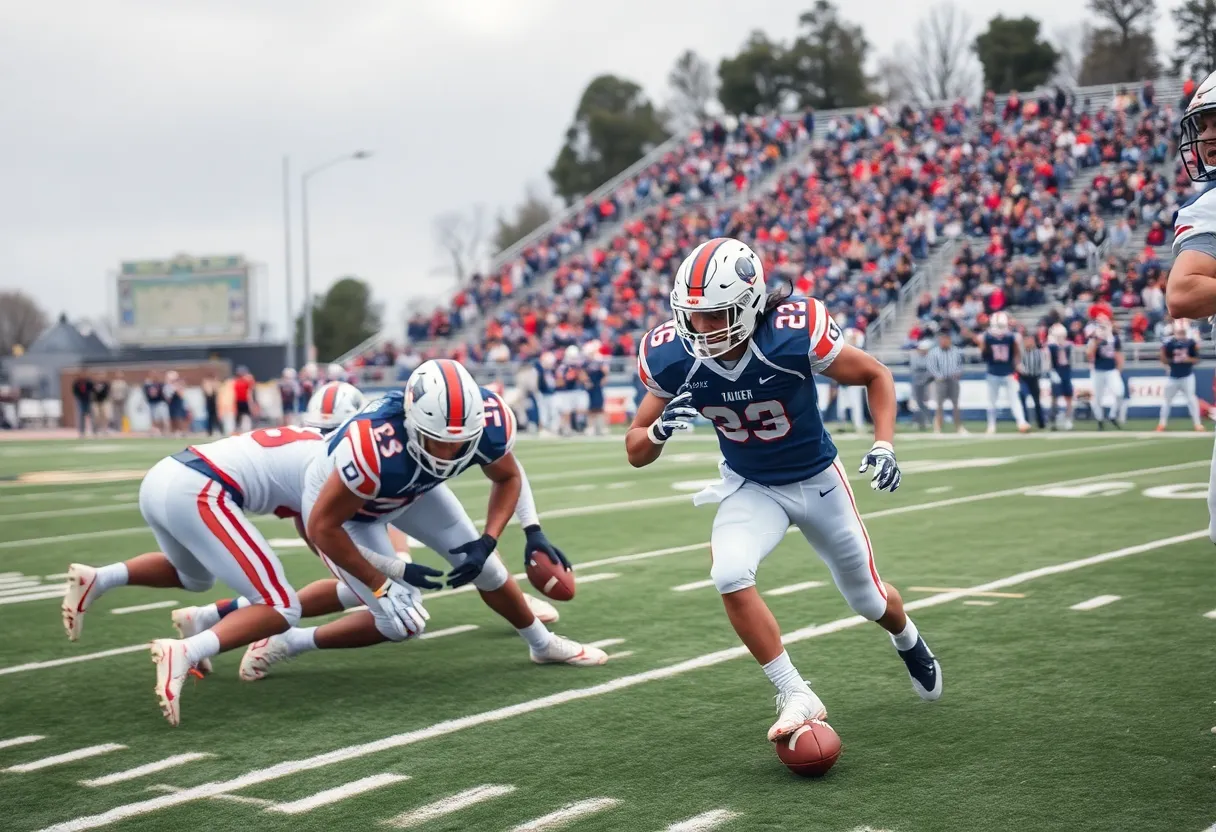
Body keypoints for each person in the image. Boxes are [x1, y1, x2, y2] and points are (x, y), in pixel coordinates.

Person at [627, 237, 939, 745]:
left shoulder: (790, 335)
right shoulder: (671, 355)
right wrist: (659, 431)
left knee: (868, 599)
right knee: (728, 571)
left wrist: (885, 444)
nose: (701, 329)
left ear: (749, 305)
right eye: (693, 315)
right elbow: (635, 447)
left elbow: (876, 375)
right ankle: (796, 691)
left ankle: (906, 637)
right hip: (751, 486)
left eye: (716, 315)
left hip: (818, 480)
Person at [240, 359, 605, 676]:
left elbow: (508, 476)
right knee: (402, 621)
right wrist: (393, 573)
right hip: (351, 514)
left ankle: (542, 645)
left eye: (460, 443)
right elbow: (322, 527)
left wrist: (493, 539)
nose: (449, 451)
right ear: (412, 422)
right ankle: (291, 641)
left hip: (414, 491)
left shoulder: (486, 422)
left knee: (488, 568)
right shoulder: (375, 446)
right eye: (439, 440)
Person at [59, 410, 394, 725]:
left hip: (165, 474)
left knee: (194, 576)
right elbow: (322, 531)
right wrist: (362, 576)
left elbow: (311, 527)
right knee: (280, 605)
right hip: (201, 489)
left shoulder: (310, 442)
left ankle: (101, 578)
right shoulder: (335, 465)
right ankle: (186, 652)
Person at [977, 312, 1029, 434]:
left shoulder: (1011, 337)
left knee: (1014, 399)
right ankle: (991, 425)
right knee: (992, 401)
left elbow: (1016, 353)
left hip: (1007, 372)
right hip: (993, 372)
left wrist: (1017, 364)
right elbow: (983, 354)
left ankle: (1021, 422)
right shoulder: (987, 337)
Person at [1157, 319, 1204, 431]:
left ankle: (1197, 424)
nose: (1181, 334)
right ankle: (1162, 424)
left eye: (1182, 331)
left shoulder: (1191, 343)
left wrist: (1188, 359)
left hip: (1187, 375)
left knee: (1191, 400)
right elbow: (1163, 360)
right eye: (1179, 331)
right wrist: (1163, 353)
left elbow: (1197, 359)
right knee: (1167, 400)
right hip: (1173, 376)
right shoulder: (1169, 343)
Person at [1086, 316, 1125, 428]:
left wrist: (1119, 370)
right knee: (1097, 398)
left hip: (1111, 370)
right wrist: (1096, 341)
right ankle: (1100, 420)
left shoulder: (1115, 338)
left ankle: (1112, 416)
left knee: (1119, 393)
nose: (1104, 327)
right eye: (1101, 325)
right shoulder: (1095, 338)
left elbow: (1119, 355)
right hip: (1097, 371)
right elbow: (1089, 353)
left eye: (1105, 324)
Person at [927, 329, 966, 434]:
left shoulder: (956, 351)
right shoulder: (934, 352)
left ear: (949, 340)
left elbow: (960, 364)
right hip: (941, 381)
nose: (943, 341)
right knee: (939, 405)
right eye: (942, 339)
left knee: (956, 404)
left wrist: (958, 373)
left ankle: (958, 426)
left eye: (945, 339)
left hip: (953, 379)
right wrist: (938, 376)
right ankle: (938, 427)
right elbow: (931, 366)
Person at [1046, 324, 1075, 430]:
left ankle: (1068, 420)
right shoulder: (1051, 346)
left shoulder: (1068, 345)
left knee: (1069, 397)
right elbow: (1048, 362)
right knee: (1054, 399)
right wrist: (1052, 372)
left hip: (1066, 373)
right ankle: (1053, 420)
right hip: (1056, 372)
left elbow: (1071, 360)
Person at [1017, 332, 1047, 430]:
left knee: (1037, 401)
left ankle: (1041, 422)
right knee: (1023, 397)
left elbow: (1043, 365)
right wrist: (1022, 369)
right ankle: (1025, 421)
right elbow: (1018, 364)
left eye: (1030, 340)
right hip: (1024, 378)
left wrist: (1040, 374)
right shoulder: (1021, 352)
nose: (1028, 342)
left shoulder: (1039, 352)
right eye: (1027, 341)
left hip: (1034, 378)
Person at [909, 339, 933, 431]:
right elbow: (915, 368)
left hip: (926, 382)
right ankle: (918, 420)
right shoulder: (915, 357)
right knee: (917, 402)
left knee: (924, 402)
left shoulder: (929, 357)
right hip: (917, 382)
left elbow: (930, 370)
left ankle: (925, 420)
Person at [232, 366, 255, 433]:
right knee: (239, 416)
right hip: (238, 401)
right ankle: (238, 429)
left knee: (248, 415)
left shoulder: (247, 380)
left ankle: (249, 429)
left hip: (245, 401)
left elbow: (251, 389)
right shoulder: (236, 380)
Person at [71, 372, 94, 437]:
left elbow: (92, 389)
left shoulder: (88, 382)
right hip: (81, 401)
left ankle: (94, 431)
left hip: (88, 400)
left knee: (91, 415)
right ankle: (82, 431)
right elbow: (74, 391)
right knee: (81, 416)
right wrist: (78, 398)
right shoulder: (77, 383)